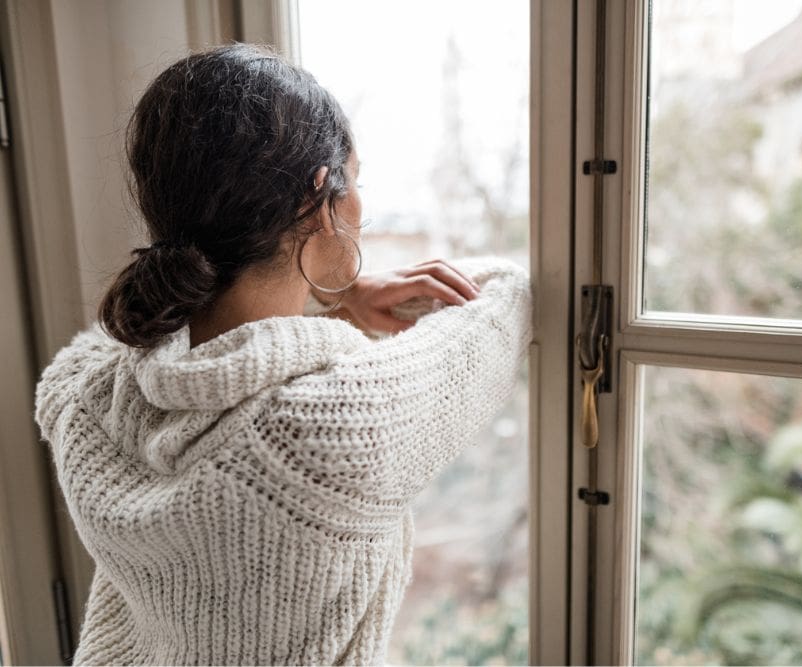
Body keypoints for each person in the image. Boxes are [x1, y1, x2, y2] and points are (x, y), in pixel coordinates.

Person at [33, 43, 531, 666]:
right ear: (316, 198)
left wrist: (339, 295)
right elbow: (503, 295)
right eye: (357, 180)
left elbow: (113, 341)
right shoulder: (328, 427)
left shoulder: (81, 398)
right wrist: (344, 291)